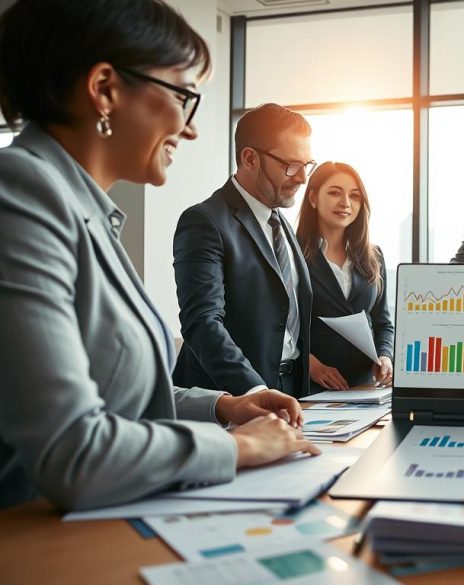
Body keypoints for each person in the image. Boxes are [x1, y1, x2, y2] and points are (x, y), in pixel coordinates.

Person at [0, 0, 318, 511]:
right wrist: (237, 447)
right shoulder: (21, 195)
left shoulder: (84, 209)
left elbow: (118, 396)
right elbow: (72, 450)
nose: (191, 129)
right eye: (182, 97)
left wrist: (224, 405)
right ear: (105, 90)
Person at [172, 104, 315, 397]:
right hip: (230, 397)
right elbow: (203, 322)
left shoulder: (282, 225)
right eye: (291, 165)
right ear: (249, 158)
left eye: (307, 165)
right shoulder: (204, 221)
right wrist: (255, 391)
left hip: (291, 390)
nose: (302, 178)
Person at [295, 162, 395, 390]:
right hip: (311, 386)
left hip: (365, 387)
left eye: (354, 196)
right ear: (313, 198)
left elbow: (382, 322)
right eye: (334, 193)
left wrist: (385, 357)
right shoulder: (292, 252)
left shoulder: (373, 256)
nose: (346, 203)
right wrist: (311, 365)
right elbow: (279, 327)